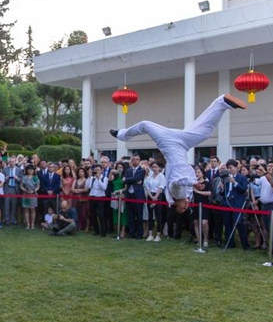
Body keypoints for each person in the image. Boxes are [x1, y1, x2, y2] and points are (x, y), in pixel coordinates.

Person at [111, 94, 246, 215]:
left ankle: (122, 135)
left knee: (145, 125)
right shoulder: (186, 194)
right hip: (183, 145)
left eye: (182, 208)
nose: (186, 206)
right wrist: (193, 184)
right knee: (205, 132)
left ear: (176, 204)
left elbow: (177, 182)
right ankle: (221, 102)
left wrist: (193, 183)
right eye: (186, 208)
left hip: (170, 145)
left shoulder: (175, 193)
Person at [192, 165, 212, 247]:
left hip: (204, 204)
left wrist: (198, 192)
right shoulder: (193, 183)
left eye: (199, 172)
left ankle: (206, 239)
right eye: (196, 172)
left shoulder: (207, 183)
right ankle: (199, 239)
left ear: (203, 173)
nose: (197, 174)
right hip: (195, 204)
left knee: (204, 222)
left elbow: (209, 193)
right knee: (196, 221)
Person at [2, 157, 22, 226]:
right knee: (6, 205)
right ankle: (7, 220)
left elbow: (22, 180)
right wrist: (5, 178)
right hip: (7, 188)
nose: (11, 163)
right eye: (10, 162)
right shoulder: (5, 169)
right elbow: (1, 179)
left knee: (14, 205)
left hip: (14, 189)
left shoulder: (19, 170)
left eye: (12, 162)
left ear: (15, 162)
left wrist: (17, 179)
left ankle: (13, 219)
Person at [21, 164, 40, 230]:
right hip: (26, 195)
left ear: (34, 170)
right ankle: (28, 224)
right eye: (29, 169)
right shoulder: (24, 177)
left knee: (32, 209)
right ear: (27, 170)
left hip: (33, 195)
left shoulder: (35, 177)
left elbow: (38, 186)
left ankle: (32, 224)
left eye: (32, 169)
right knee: (26, 209)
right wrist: (26, 190)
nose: (30, 170)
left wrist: (34, 191)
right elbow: (21, 186)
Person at [71, 167, 90, 232]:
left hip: (84, 199)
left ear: (84, 173)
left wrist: (78, 190)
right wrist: (78, 190)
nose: (80, 173)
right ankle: (78, 226)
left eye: (82, 171)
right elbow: (72, 189)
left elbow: (86, 189)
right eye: (79, 172)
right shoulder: (76, 180)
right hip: (76, 199)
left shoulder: (87, 180)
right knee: (77, 212)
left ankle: (86, 226)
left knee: (84, 213)